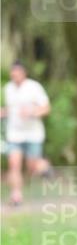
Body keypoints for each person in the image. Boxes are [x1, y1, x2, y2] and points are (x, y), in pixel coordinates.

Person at [1, 61, 51, 206]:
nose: (13, 76)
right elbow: (12, 109)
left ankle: (44, 165)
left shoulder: (34, 87)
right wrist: (3, 112)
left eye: (16, 73)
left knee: (31, 167)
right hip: (14, 134)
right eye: (12, 73)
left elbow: (46, 108)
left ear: (23, 73)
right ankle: (16, 196)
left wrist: (32, 112)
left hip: (33, 134)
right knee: (14, 164)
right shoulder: (8, 88)